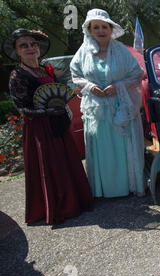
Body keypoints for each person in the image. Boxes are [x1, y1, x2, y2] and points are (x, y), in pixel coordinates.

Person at [4, 28, 94, 224]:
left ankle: (75, 201)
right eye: (24, 46)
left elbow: (57, 93)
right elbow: (22, 109)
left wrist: (61, 109)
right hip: (39, 130)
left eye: (33, 44)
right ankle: (59, 207)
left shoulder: (45, 69)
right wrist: (47, 112)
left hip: (58, 124)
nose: (30, 48)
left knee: (66, 162)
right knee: (50, 167)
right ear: (17, 51)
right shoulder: (17, 75)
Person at [70, 9, 146, 198]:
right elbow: (75, 75)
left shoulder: (121, 50)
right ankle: (103, 189)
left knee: (123, 147)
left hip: (121, 108)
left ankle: (128, 185)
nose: (101, 30)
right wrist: (88, 86)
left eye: (104, 26)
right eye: (96, 27)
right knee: (102, 150)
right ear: (89, 29)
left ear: (111, 29)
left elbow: (137, 74)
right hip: (97, 112)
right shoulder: (83, 53)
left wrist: (118, 86)